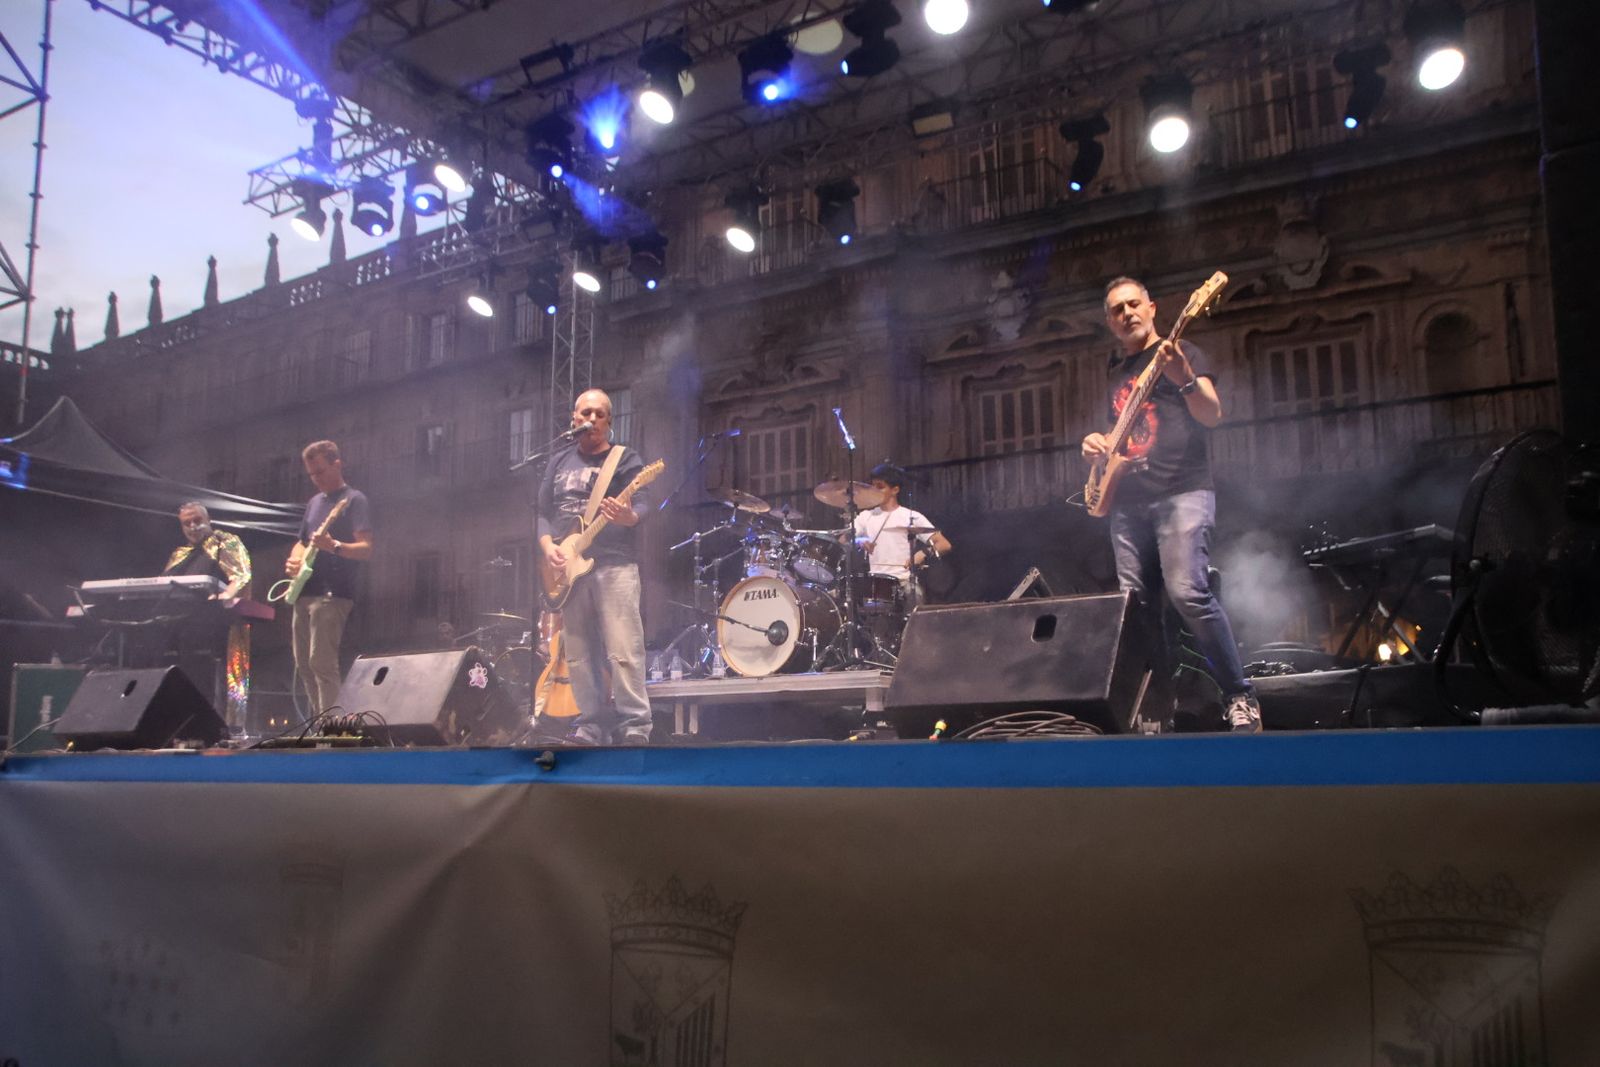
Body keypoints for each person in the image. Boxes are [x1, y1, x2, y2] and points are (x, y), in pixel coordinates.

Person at [1081, 276, 1261, 732]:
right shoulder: (1117, 372)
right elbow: (1118, 437)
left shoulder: (1185, 353)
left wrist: (1184, 378)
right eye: (1117, 309)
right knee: (1137, 609)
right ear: (1109, 321)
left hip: (1182, 491)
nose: (1127, 313)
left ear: (1153, 308)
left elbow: (1212, 415)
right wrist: (1097, 444)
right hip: (1127, 504)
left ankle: (1239, 696)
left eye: (1133, 304)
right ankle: (1158, 707)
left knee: (1188, 594)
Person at [535, 389, 652, 745]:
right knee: (579, 653)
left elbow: (643, 503)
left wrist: (628, 516)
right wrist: (548, 547)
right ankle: (591, 723)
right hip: (568, 569)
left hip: (614, 563)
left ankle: (635, 725)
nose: (592, 420)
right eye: (586, 413)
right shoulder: (558, 461)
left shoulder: (625, 458)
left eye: (600, 414)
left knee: (623, 649)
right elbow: (542, 513)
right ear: (574, 418)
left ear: (609, 421)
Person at [285, 440, 373, 718]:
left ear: (337, 464)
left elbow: (366, 549)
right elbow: (302, 541)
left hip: (333, 592)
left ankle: (333, 725)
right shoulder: (314, 503)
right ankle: (321, 722)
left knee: (321, 661)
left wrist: (335, 546)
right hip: (304, 590)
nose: (316, 479)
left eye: (320, 472)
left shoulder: (354, 500)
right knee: (303, 664)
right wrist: (294, 560)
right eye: (311, 474)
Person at [163, 501, 254, 729]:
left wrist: (224, 598)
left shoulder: (225, 542)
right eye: (186, 523)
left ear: (208, 520)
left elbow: (241, 576)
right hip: (182, 626)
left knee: (217, 679)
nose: (193, 527)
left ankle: (223, 727)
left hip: (218, 626)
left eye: (197, 521)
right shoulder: (179, 554)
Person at [851, 462, 953, 611]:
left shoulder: (910, 516)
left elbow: (944, 544)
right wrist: (860, 540)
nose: (875, 491)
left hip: (904, 582)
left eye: (880, 487)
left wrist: (923, 553)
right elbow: (843, 539)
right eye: (873, 486)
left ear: (895, 490)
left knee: (915, 599)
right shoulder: (866, 516)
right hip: (876, 585)